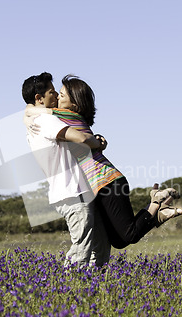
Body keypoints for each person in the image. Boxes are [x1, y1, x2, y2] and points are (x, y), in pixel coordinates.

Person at [25, 74, 182, 250]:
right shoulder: (72, 118)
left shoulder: (67, 115)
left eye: (62, 95)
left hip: (106, 181)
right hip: (100, 184)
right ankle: (158, 214)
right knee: (118, 240)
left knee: (129, 235)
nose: (57, 97)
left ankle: (156, 202)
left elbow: (34, 110)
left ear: (74, 105)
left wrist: (27, 117)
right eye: (57, 93)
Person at [22, 72, 110, 267]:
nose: (56, 96)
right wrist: (99, 143)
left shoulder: (36, 119)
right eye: (52, 92)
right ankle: (66, 288)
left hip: (77, 192)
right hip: (72, 193)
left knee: (100, 248)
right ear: (39, 98)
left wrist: (27, 112)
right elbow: (81, 138)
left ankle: (93, 290)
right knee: (82, 250)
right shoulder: (45, 121)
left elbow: (29, 108)